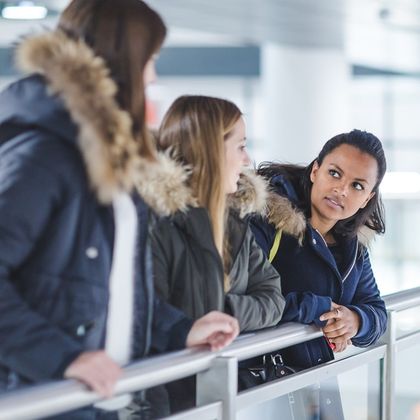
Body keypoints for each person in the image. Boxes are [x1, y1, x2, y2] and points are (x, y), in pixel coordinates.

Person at [0, 1, 239, 418]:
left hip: (101, 401)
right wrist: (62, 357)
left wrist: (181, 330)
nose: (152, 76)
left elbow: (115, 290)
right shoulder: (46, 154)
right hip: (47, 401)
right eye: (150, 60)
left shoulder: (106, 160)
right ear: (123, 59)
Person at [146, 95, 285, 415]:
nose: (248, 160)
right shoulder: (156, 223)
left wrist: (225, 312)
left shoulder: (234, 222)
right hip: (172, 407)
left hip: (217, 397)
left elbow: (274, 299)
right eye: (240, 147)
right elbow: (147, 324)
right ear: (209, 149)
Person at [251, 129, 388, 418]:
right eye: (335, 173)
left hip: (315, 389)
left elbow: (377, 312)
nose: (341, 190)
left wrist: (354, 321)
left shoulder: (353, 247)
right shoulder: (265, 221)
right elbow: (247, 302)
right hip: (258, 388)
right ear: (315, 170)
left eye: (358, 186)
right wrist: (320, 308)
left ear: (367, 199)